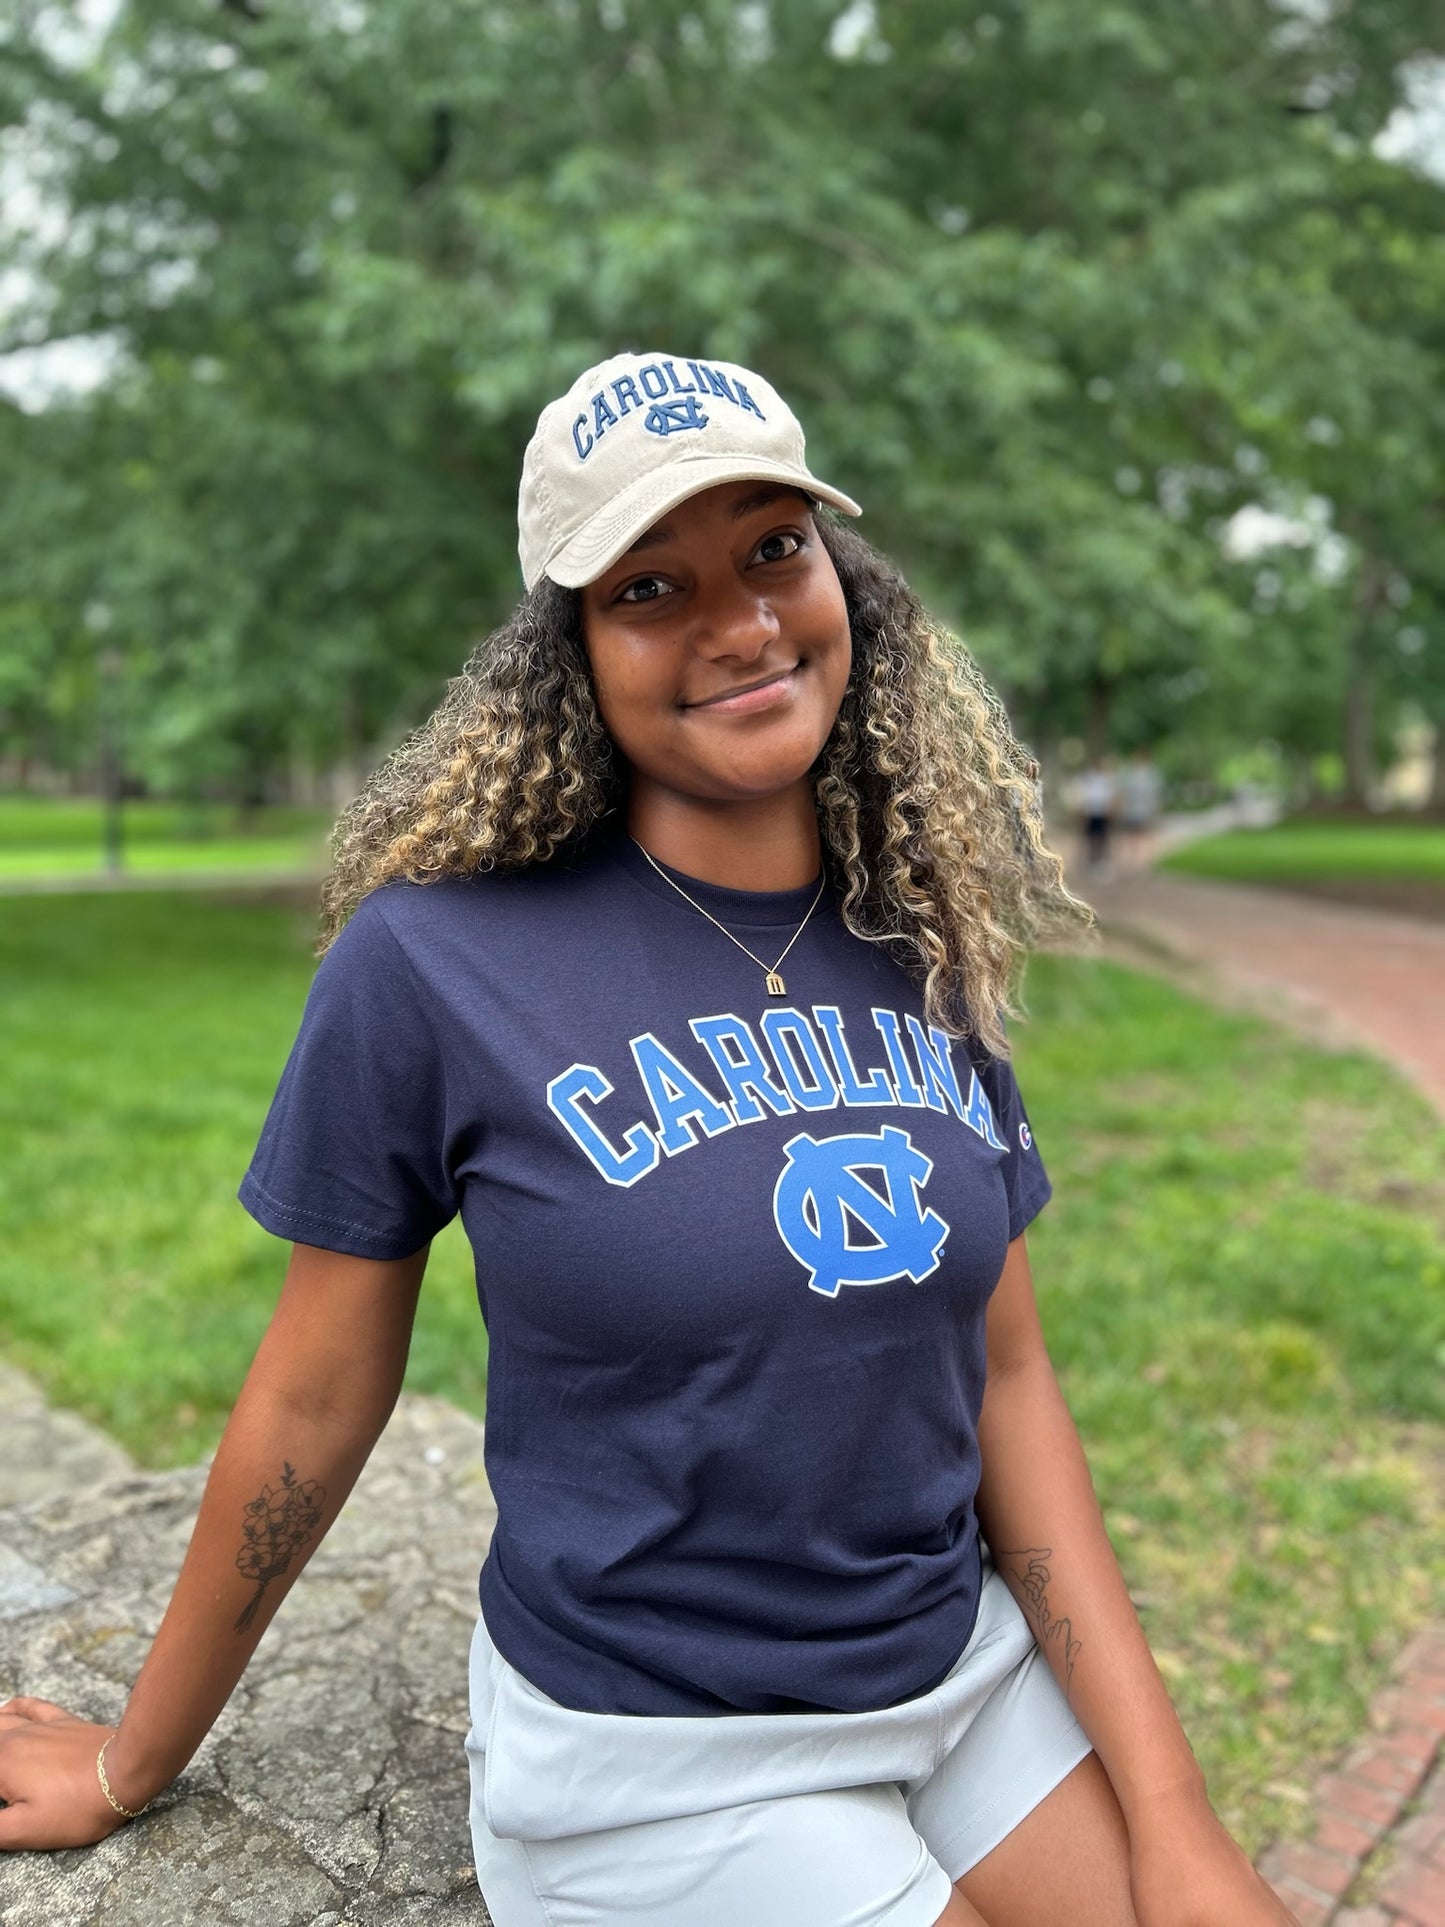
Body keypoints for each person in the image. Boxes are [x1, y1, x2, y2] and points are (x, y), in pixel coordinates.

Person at [0, 352, 1294, 1927]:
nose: (738, 621)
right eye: (648, 587)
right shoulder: (433, 965)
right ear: (572, 656)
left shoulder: (916, 934)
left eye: (772, 548)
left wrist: (1177, 1824)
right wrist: (135, 1758)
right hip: (666, 1760)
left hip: (957, 1679)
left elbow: (1006, 1376)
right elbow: (316, 1389)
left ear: (844, 580)